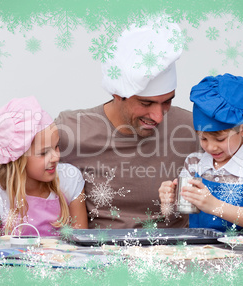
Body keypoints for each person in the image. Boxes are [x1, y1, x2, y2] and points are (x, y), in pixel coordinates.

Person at [56, 18, 200, 229]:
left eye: (167, 101)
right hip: (102, 255)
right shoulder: (71, 130)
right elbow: (18, 175)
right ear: (118, 94)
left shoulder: (192, 128)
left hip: (174, 254)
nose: (158, 116)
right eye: (146, 103)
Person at [158, 74, 243, 232]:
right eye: (203, 138)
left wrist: (213, 205)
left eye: (220, 139)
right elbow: (179, 215)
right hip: (197, 250)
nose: (211, 147)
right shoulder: (194, 163)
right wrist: (168, 203)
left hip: (236, 251)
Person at [0, 96, 87, 237]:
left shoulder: (69, 179)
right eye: (44, 153)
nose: (56, 157)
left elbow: (82, 246)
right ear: (19, 159)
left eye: (56, 146)